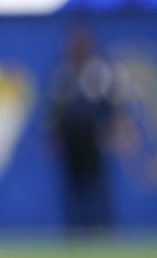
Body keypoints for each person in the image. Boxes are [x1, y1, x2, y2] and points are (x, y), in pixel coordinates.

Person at [47, 27, 121, 237]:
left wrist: (112, 130)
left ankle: (104, 230)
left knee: (97, 187)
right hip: (71, 138)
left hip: (91, 136)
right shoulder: (63, 72)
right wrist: (53, 136)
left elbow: (109, 105)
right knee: (72, 188)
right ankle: (74, 232)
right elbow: (55, 109)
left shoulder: (98, 70)